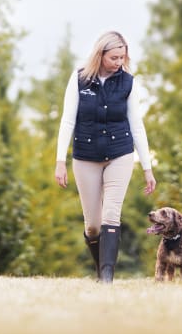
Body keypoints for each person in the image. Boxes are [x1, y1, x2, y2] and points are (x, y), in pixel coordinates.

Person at [54, 30, 156, 283]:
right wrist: (60, 162)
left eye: (122, 57)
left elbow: (137, 125)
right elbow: (67, 121)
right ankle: (101, 269)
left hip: (120, 154)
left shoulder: (128, 82)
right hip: (85, 156)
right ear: (100, 55)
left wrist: (147, 167)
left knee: (112, 214)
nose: (119, 62)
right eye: (114, 57)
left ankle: (107, 278)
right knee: (93, 226)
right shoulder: (79, 79)